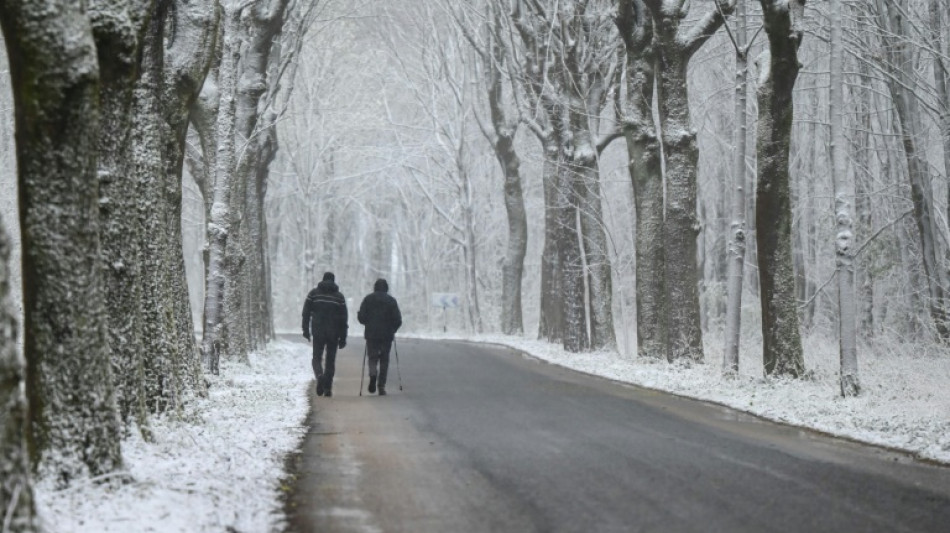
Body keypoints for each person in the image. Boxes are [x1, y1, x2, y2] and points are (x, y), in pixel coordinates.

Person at [302, 271, 348, 397]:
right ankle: (328, 388)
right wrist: (343, 337)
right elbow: (344, 318)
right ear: (334, 281)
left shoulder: (313, 294)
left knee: (316, 358)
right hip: (334, 332)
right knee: (330, 360)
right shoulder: (339, 297)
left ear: (322, 280)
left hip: (318, 331)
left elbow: (306, 312)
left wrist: (305, 330)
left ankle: (319, 376)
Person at [357, 278, 402, 396]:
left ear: (375, 287)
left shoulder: (368, 299)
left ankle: (372, 374)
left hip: (371, 334)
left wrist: (366, 321)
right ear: (386, 288)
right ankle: (381, 386)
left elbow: (362, 318)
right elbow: (398, 320)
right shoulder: (391, 301)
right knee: (384, 359)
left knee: (372, 357)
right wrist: (393, 329)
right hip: (387, 335)